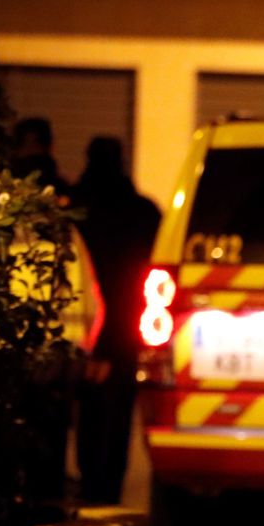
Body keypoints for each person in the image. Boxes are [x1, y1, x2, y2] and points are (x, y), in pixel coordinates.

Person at [71, 136, 161, 505]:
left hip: (80, 332)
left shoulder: (75, 209)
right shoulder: (142, 212)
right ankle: (107, 490)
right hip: (126, 330)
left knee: (86, 416)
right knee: (116, 416)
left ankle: (90, 485)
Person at [9, 117, 71, 202]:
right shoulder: (10, 175)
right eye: (26, 144)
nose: (30, 149)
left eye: (34, 144)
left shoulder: (48, 174)